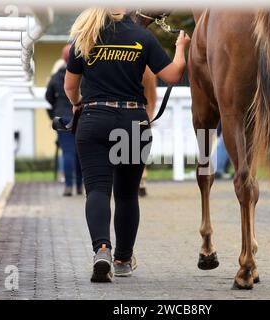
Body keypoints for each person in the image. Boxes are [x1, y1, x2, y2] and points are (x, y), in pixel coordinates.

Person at [64, 8, 190, 282]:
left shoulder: (85, 35)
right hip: (132, 121)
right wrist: (181, 48)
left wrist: (77, 105)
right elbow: (171, 76)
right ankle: (122, 259)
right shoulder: (141, 36)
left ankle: (102, 249)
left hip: (94, 117)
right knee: (127, 195)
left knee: (97, 190)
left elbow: (70, 86)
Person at [46, 45, 84, 197]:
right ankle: (80, 186)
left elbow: (48, 97)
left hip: (62, 118)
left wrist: (53, 113)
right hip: (80, 116)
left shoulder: (56, 77)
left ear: (63, 58)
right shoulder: (84, 75)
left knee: (67, 152)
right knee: (80, 153)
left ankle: (68, 186)